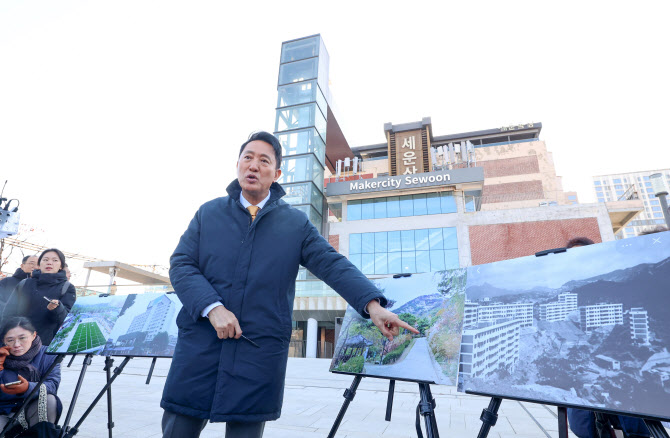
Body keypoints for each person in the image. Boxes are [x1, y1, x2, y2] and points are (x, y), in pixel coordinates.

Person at [161, 131, 417, 438]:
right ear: (238, 164)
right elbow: (182, 264)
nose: (253, 166)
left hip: (257, 351)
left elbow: (332, 263)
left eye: (264, 161)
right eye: (247, 158)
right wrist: (212, 307)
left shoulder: (294, 224)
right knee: (179, 428)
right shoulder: (209, 214)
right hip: (200, 344)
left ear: (276, 174)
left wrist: (373, 305)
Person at [565, 237, 650, 438]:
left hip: (626, 383)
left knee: (632, 426)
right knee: (584, 427)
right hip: (587, 403)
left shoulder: (619, 287)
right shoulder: (571, 291)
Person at [2, 249, 76, 346]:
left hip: (44, 345)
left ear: (61, 266)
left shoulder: (67, 287)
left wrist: (57, 309)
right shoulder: (25, 283)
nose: (49, 263)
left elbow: (67, 321)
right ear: (39, 264)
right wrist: (3, 338)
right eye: (45, 260)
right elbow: (8, 314)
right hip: (16, 343)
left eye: (55, 260)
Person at [0, 317, 61, 432]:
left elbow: (52, 385)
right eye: (10, 340)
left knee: (50, 400)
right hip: (4, 410)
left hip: (31, 407)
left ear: (33, 335)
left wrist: (28, 388)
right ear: (4, 340)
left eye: (22, 338)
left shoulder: (48, 355)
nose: (16, 344)